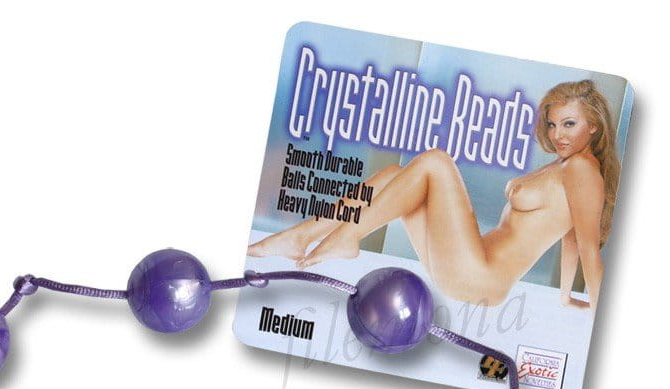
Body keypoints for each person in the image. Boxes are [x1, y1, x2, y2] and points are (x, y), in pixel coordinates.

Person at [248, 80, 620, 311]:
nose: (558, 134)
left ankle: (348, 236)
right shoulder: (566, 165)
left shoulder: (583, 172)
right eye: (553, 124)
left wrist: (598, 313)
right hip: (468, 265)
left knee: (436, 162)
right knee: (395, 175)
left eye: (569, 124)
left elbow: (588, 247)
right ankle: (302, 235)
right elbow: (570, 238)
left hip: (480, 278)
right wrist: (565, 296)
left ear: (594, 126)